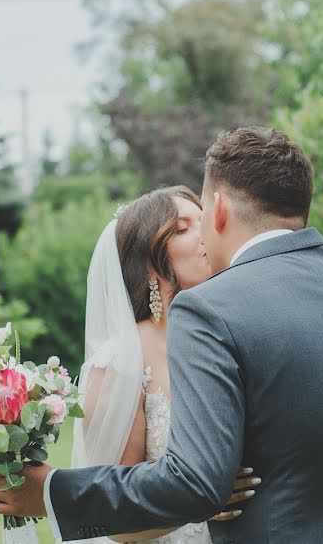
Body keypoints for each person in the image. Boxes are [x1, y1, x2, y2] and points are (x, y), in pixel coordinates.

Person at [0, 126, 323, 544]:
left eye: (201, 215)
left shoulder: (211, 310)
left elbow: (195, 483)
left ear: (221, 209)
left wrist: (52, 492)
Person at [73, 185, 261, 543]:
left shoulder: (236, 329)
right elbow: (111, 514)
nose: (204, 232)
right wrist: (197, 502)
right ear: (147, 262)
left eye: (202, 220)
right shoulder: (120, 362)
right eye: (181, 228)